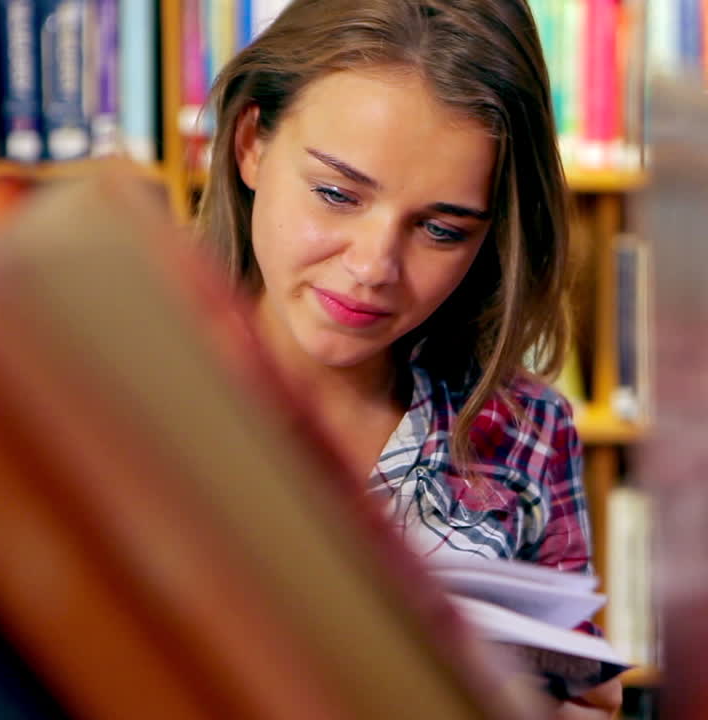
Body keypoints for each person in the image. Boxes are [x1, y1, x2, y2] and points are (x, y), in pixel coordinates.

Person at [196, 0, 622, 716]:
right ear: (251, 145)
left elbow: (583, 683)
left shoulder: (524, 430)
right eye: (336, 194)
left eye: (441, 230)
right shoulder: (118, 387)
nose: (372, 267)